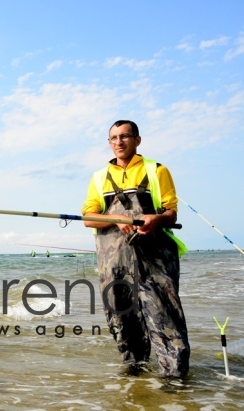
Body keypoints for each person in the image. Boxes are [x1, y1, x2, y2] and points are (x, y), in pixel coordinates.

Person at [81, 120, 190, 378]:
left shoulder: (157, 170)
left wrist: (157, 219)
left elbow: (171, 212)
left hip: (155, 257)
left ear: (137, 140)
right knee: (122, 318)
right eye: (113, 138)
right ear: (109, 143)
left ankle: (175, 383)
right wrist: (116, 220)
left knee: (165, 317)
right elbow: (88, 217)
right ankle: (135, 378)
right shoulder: (98, 178)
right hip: (114, 261)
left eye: (125, 136)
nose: (119, 142)